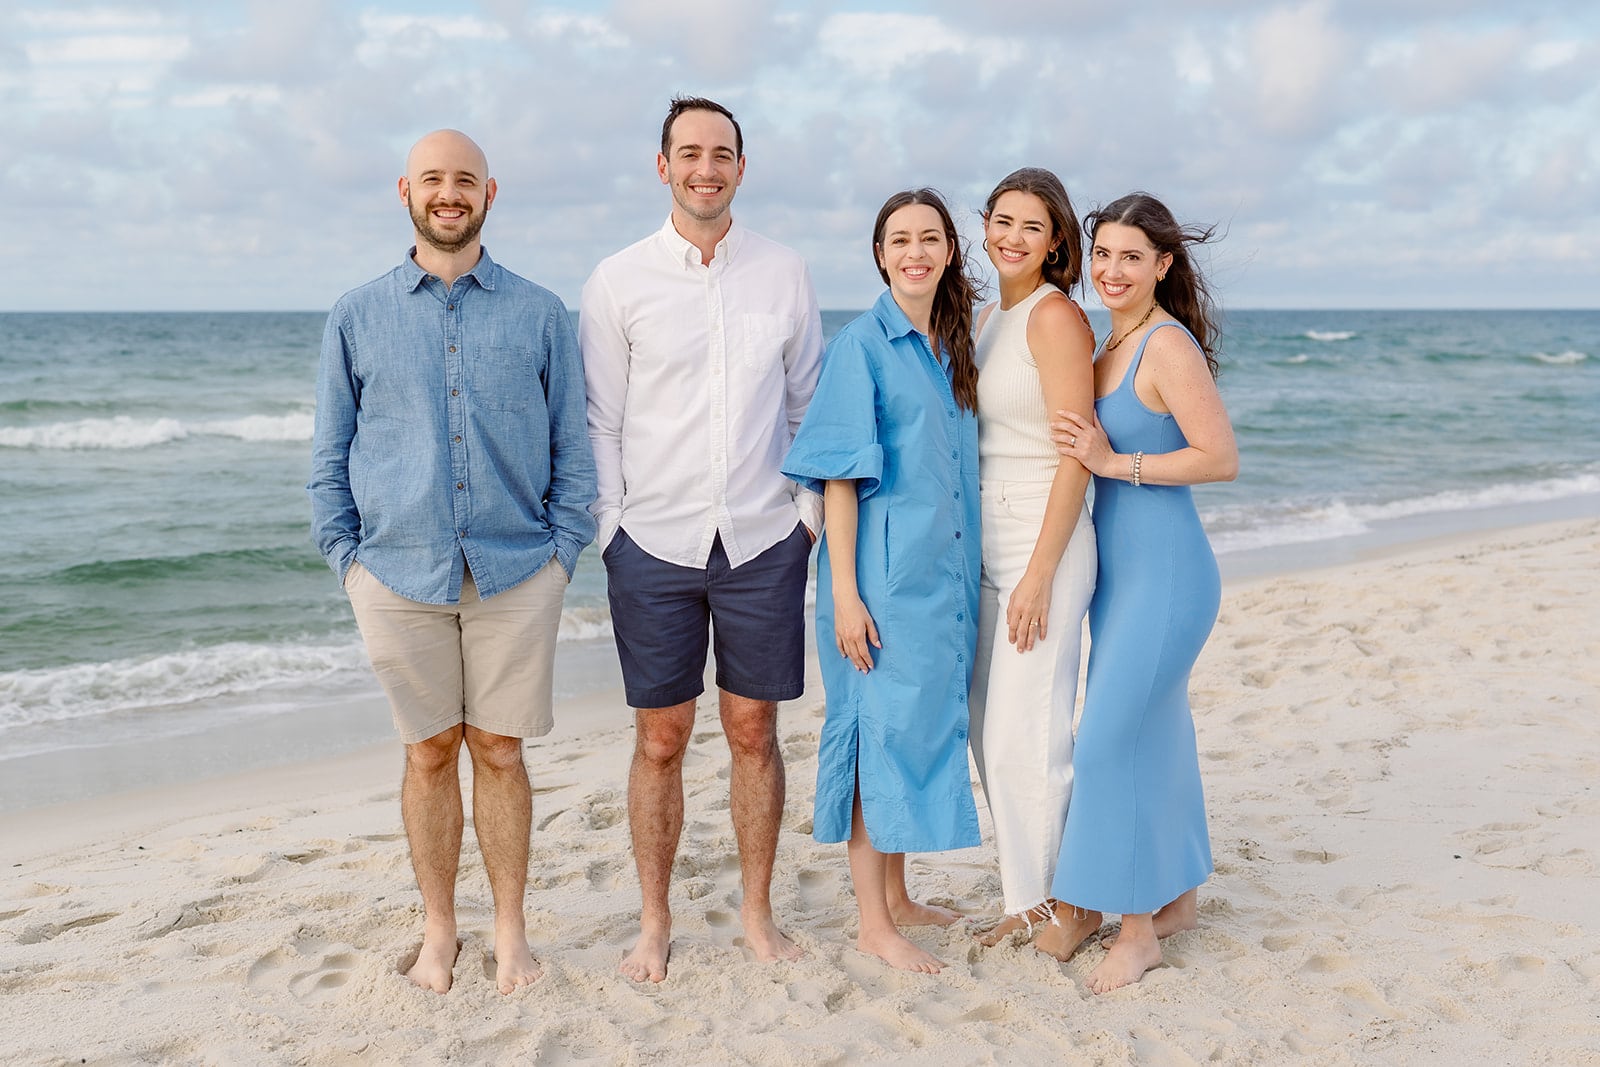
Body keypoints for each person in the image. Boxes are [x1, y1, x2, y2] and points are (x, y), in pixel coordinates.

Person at [308, 130, 597, 995]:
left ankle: (511, 932)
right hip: (395, 574)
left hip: (518, 570)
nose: (448, 193)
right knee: (430, 751)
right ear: (406, 190)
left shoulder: (541, 311)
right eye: (433, 179)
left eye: (463, 180)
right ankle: (442, 931)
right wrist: (348, 562)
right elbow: (329, 459)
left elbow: (572, 451)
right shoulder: (356, 314)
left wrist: (562, 555)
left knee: (500, 751)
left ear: (489, 193)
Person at [580, 96, 823, 984]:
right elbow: (600, 421)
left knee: (755, 729)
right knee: (660, 738)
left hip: (764, 536)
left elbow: (808, 407)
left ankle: (758, 915)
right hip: (651, 541)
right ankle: (655, 921)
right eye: (689, 153)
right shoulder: (618, 281)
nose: (705, 167)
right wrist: (611, 531)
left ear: (741, 168)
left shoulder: (785, 273)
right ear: (663, 166)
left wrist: (804, 515)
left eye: (721, 153)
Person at [781, 188, 983, 973]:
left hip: (940, 580)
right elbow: (837, 479)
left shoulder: (948, 343)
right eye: (900, 240)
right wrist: (843, 595)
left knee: (913, 732)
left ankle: (898, 897)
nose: (915, 252)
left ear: (950, 251)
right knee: (876, 736)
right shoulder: (861, 344)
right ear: (879, 254)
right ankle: (873, 922)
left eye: (930, 238)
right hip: (880, 584)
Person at [1043, 191, 1239, 992]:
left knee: (1106, 742)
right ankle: (1180, 899)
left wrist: (1110, 461)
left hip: (1168, 577)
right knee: (1155, 733)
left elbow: (1219, 456)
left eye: (1131, 256)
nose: (1112, 270)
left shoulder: (1166, 347)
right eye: (1103, 255)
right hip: (1117, 580)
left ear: (1163, 264)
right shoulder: (1102, 345)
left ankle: (1135, 929)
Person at [965, 168, 1098, 950]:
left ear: (1056, 245)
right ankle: (1026, 892)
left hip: (1041, 537)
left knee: (1030, 730)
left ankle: (1059, 904)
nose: (1013, 238)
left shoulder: (1056, 320)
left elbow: (1075, 455)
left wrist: (1041, 572)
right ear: (985, 225)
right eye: (1002, 221)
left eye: (1032, 227)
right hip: (985, 533)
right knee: (990, 729)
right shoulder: (988, 317)